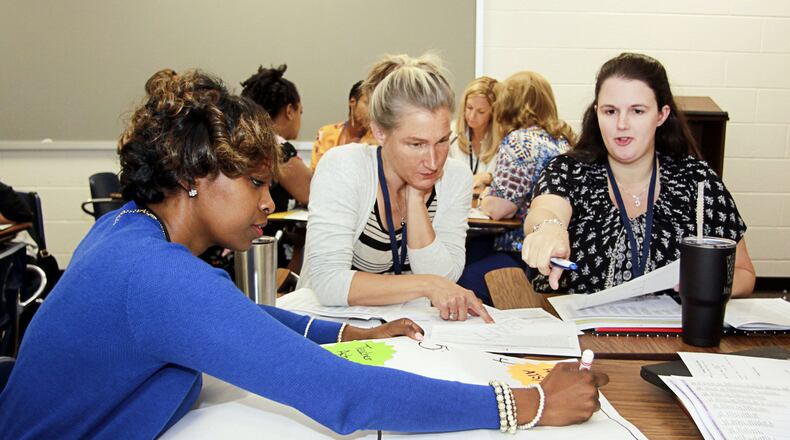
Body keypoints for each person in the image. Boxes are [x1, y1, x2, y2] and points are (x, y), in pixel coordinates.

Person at [0, 69, 608, 437]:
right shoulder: (156, 277)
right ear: (194, 175)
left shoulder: (128, 230)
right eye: (256, 183)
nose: (271, 202)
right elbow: (342, 396)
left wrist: (339, 334)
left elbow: (230, 317)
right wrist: (526, 402)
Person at [521, 53, 756, 297]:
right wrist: (549, 228)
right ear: (597, 112)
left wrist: (708, 286)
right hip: (581, 333)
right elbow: (546, 209)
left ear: (661, 115)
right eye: (610, 111)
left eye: (637, 111)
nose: (622, 124)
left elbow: (743, 272)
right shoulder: (569, 171)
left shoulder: (697, 181)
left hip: (671, 333)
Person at [299, 54, 491, 322]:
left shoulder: (454, 177)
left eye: (442, 141)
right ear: (380, 132)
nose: (434, 161)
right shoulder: (344, 166)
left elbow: (446, 278)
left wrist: (414, 198)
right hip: (333, 326)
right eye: (416, 144)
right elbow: (329, 282)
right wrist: (426, 285)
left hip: (412, 330)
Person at [458, 71, 574, 305]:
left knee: (459, 276)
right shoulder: (562, 140)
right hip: (554, 251)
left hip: (522, 251)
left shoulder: (520, 141)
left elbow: (499, 208)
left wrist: (486, 196)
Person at [241, 64, 311, 211]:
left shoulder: (241, 139)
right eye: (301, 112)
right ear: (290, 111)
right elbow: (313, 194)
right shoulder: (278, 148)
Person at [310, 80, 377, 171]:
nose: (372, 110)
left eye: (375, 105)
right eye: (368, 103)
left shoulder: (377, 139)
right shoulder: (326, 133)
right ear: (352, 102)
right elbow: (314, 172)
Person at [450, 76, 500, 190]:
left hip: (487, 205)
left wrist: (489, 177)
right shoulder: (450, 133)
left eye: (481, 112)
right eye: (469, 107)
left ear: (493, 113)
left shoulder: (505, 140)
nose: (472, 116)